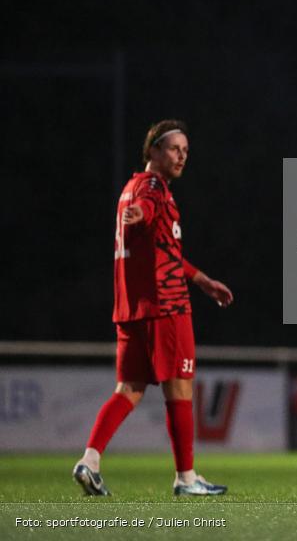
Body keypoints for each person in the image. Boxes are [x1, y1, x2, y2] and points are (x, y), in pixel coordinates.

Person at [72, 120, 234, 497]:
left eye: (186, 151)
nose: (181, 156)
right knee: (179, 388)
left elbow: (163, 249)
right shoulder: (154, 188)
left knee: (128, 389)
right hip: (166, 306)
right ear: (153, 151)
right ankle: (186, 478)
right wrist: (143, 213)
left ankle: (90, 460)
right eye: (175, 148)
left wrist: (202, 279)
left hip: (131, 307)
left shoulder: (129, 189)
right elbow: (148, 207)